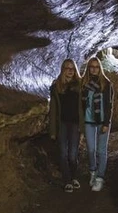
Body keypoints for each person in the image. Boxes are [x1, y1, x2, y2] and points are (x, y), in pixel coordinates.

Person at [80, 57, 114, 192]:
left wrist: (107, 122)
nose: (94, 69)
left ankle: (100, 178)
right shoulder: (83, 83)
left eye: (96, 67)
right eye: (91, 67)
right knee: (91, 149)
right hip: (89, 120)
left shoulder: (106, 84)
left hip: (102, 121)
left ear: (100, 68)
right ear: (88, 69)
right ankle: (92, 171)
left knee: (101, 150)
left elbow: (109, 105)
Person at [48, 59, 82, 193]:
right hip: (62, 123)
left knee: (72, 155)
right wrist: (52, 130)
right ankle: (67, 180)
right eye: (67, 68)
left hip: (75, 124)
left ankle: (74, 176)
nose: (70, 70)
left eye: (72, 68)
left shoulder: (80, 86)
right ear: (63, 69)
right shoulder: (57, 87)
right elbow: (53, 110)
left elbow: (84, 108)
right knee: (62, 153)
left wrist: (84, 126)